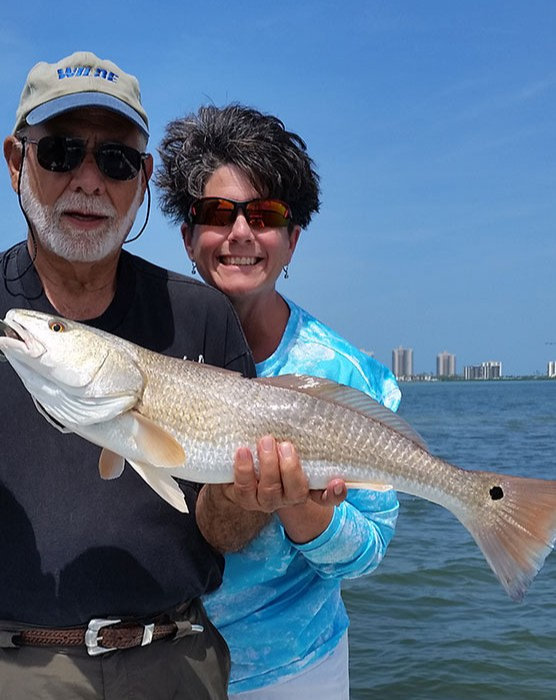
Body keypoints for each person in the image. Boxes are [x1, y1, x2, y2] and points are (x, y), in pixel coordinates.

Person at [0, 53, 290, 700]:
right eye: (60, 152)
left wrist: (251, 498)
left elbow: (221, 531)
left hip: (174, 664)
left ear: (143, 178)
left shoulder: (202, 314)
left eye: (115, 161)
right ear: (15, 163)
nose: (89, 180)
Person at [156, 104, 402, 699]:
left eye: (264, 215)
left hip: (296, 673)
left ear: (292, 240)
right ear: (189, 236)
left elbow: (367, 553)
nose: (240, 233)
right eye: (217, 214)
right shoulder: (145, 350)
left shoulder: (344, 374)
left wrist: (302, 511)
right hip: (155, 668)